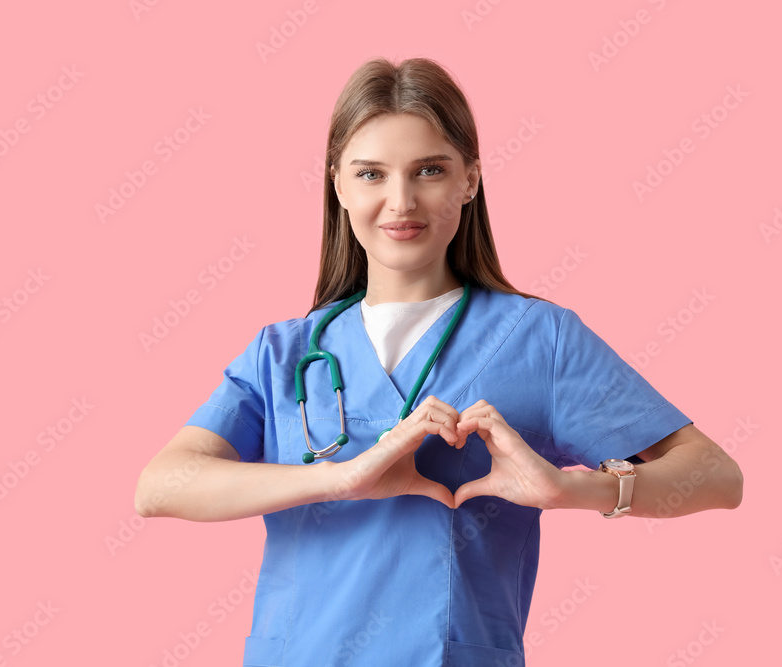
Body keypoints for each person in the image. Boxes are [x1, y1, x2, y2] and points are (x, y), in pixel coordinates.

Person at [134, 56, 743, 667]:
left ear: (470, 181)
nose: (401, 201)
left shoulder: (539, 338)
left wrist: (570, 489)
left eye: (429, 170)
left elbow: (716, 476)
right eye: (371, 174)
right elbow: (160, 486)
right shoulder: (285, 352)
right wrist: (342, 477)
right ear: (338, 186)